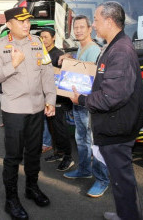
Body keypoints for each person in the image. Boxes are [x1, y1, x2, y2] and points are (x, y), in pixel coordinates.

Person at [71, 2, 143, 220]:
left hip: (117, 127)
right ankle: (125, 213)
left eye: (95, 19)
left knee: (123, 180)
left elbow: (113, 95)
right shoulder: (113, 46)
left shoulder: (120, 50)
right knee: (120, 180)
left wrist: (82, 99)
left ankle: (129, 216)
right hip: (113, 125)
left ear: (109, 21)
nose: (93, 24)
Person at [0, 7, 56, 220]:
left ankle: (32, 188)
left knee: (34, 152)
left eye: (28, 21)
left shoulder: (37, 43)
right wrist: (13, 64)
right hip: (14, 109)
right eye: (21, 21)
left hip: (37, 107)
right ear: (9, 24)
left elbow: (47, 72)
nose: (26, 25)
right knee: (13, 156)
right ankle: (11, 199)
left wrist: (50, 99)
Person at [60, 15, 110, 198]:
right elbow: (79, 67)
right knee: (81, 138)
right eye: (76, 27)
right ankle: (84, 169)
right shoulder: (81, 49)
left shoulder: (95, 50)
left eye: (82, 27)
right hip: (78, 102)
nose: (78, 30)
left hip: (88, 104)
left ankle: (102, 179)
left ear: (90, 29)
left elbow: (94, 78)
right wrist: (69, 57)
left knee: (94, 142)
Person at [39, 28, 74, 172]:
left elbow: (64, 78)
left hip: (59, 100)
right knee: (52, 128)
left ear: (53, 38)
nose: (43, 40)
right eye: (41, 37)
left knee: (61, 129)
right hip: (47, 99)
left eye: (46, 37)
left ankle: (68, 157)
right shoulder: (42, 53)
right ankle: (58, 152)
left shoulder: (59, 55)